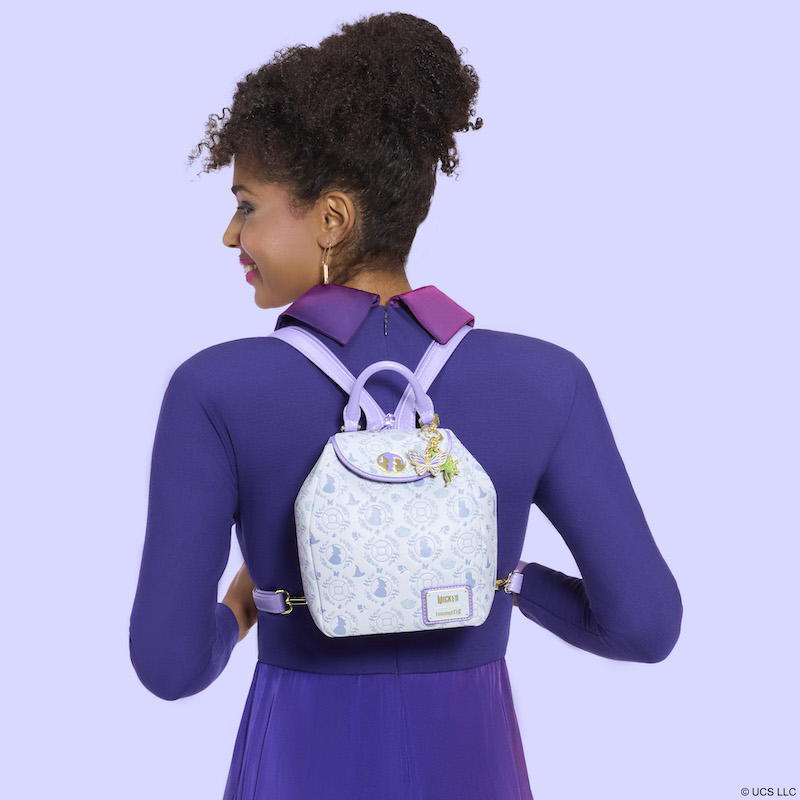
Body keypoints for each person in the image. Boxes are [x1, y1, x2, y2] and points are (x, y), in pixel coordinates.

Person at [129, 12, 682, 799]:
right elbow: (645, 625)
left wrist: (248, 603)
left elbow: (169, 666)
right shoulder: (546, 380)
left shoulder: (213, 389)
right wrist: (501, 577)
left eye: (247, 204)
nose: (229, 235)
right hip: (476, 764)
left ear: (331, 218)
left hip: (299, 761)